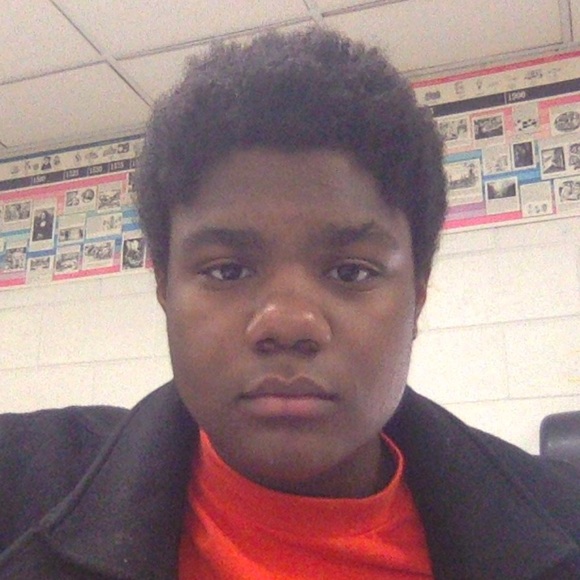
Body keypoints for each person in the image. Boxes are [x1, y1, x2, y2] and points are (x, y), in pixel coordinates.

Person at [1, 29, 579, 580]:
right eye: (227, 270)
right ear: (164, 291)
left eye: (351, 271)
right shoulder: (20, 487)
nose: (287, 322)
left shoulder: (562, 523)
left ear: (417, 298)